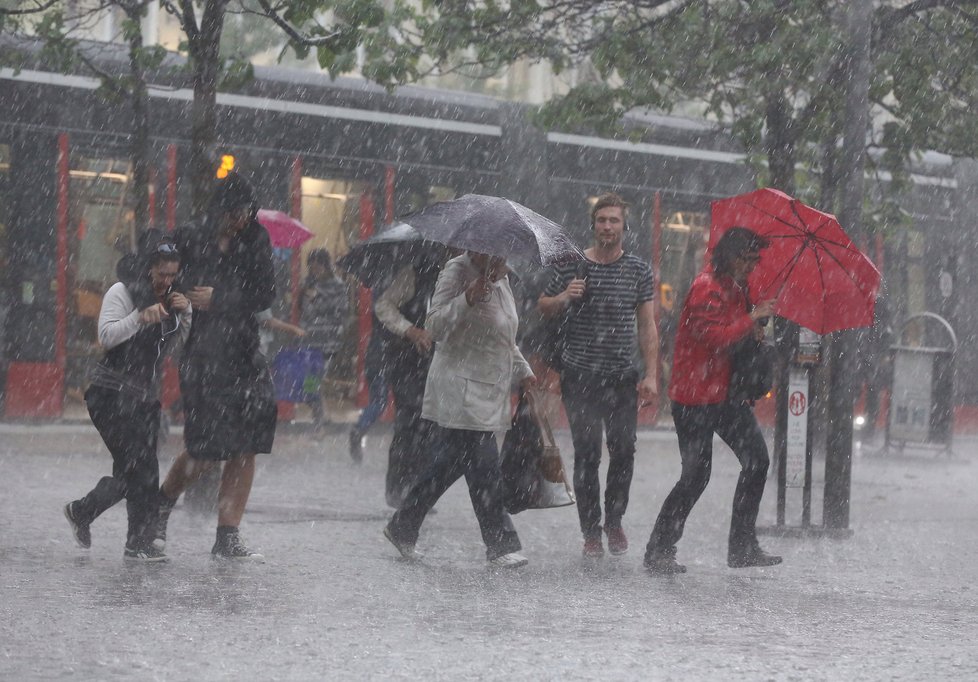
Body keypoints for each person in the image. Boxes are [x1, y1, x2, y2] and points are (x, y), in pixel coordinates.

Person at [384, 251, 536, 568]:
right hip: (460, 387)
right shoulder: (456, 271)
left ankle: (403, 526)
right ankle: (500, 544)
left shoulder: (502, 278)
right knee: (485, 466)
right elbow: (435, 325)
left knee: (447, 466)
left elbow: (504, 335)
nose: (503, 258)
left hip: (489, 388)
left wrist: (524, 371)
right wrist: (466, 298)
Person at [154, 172, 277, 560]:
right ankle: (160, 507)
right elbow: (166, 277)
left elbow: (265, 294)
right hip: (203, 356)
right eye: (235, 212)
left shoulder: (256, 241)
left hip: (243, 354)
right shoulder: (191, 238)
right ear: (220, 210)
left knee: (246, 446)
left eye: (246, 212)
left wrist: (221, 298)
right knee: (205, 448)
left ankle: (227, 535)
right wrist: (183, 301)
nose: (242, 219)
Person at [643, 226, 781, 574]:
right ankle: (659, 549)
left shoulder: (737, 287)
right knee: (695, 476)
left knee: (757, 462)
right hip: (696, 398)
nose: (753, 266)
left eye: (755, 260)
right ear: (732, 257)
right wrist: (749, 320)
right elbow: (714, 338)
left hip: (726, 395)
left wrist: (755, 327)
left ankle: (742, 546)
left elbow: (734, 337)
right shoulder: (706, 288)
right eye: (749, 259)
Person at [538, 193, 658, 558]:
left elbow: (647, 325)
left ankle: (614, 520)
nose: (608, 226)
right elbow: (542, 305)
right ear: (593, 224)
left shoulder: (638, 269)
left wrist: (652, 374)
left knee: (623, 451)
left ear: (624, 226)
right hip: (580, 376)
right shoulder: (572, 265)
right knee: (587, 455)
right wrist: (563, 297)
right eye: (602, 220)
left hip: (622, 377)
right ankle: (591, 530)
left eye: (614, 221)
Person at [63, 235, 191, 561]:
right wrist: (139, 317)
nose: (167, 281)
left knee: (134, 472)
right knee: (141, 469)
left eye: (172, 275)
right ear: (148, 268)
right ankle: (136, 542)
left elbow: (173, 349)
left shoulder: (170, 302)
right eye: (162, 273)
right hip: (110, 398)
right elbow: (106, 337)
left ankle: (89, 515)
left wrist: (186, 314)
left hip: (144, 401)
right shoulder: (121, 292)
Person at [374, 254, 441, 508]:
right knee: (409, 422)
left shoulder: (460, 277)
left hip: (436, 363)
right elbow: (384, 306)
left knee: (430, 427)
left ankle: (418, 490)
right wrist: (410, 331)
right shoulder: (414, 272)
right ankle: (398, 488)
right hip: (406, 362)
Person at [298, 248, 349, 427]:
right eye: (312, 267)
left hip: (328, 343)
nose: (315, 270)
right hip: (309, 340)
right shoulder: (308, 284)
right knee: (309, 384)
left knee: (314, 382)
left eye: (318, 266)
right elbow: (307, 312)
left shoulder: (338, 285)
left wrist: (317, 299)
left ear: (326, 265)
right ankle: (322, 416)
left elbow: (341, 310)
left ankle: (319, 422)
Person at [347, 324, 388, 463]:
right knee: (379, 403)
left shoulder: (380, 326)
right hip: (380, 362)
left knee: (377, 401)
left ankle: (359, 429)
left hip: (374, 360)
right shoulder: (389, 315)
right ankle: (359, 428)